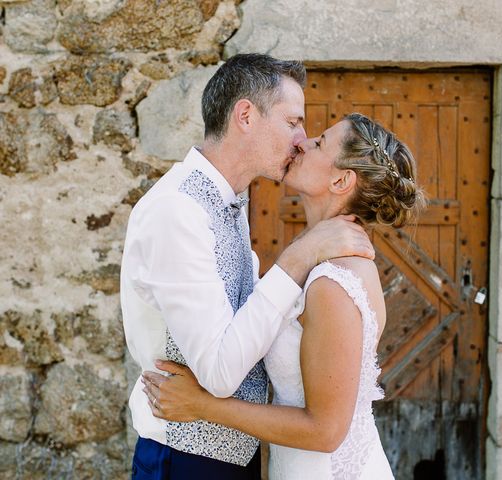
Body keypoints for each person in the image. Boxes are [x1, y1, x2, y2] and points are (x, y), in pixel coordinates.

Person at [120, 54, 375, 479]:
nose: (301, 138)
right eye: (293, 121)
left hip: (237, 457)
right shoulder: (176, 210)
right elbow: (219, 372)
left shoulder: (230, 201)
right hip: (184, 460)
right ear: (245, 116)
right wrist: (298, 257)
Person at [141, 113, 421, 479]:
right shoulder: (318, 258)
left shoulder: (333, 283)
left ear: (341, 180)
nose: (303, 143)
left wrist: (201, 405)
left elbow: (325, 431)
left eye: (319, 142)